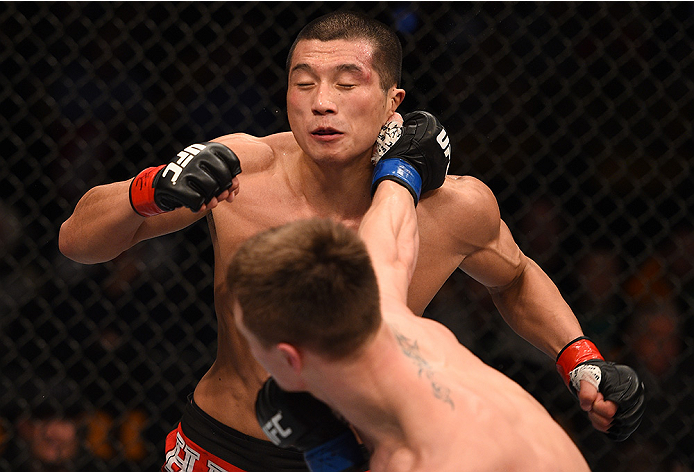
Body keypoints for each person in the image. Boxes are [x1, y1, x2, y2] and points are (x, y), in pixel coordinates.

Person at [58, 11, 644, 471]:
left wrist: (580, 360)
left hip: (362, 455)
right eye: (303, 82)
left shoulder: (450, 207)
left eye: (347, 82)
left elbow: (514, 275)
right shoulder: (243, 172)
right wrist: (150, 188)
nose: (322, 103)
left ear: (394, 101)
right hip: (223, 445)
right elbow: (76, 243)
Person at [229, 149, 591, 471]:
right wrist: (403, 168)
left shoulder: (431, 461)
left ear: (290, 361)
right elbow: (392, 232)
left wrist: (332, 459)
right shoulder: (380, 303)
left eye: (250, 339)